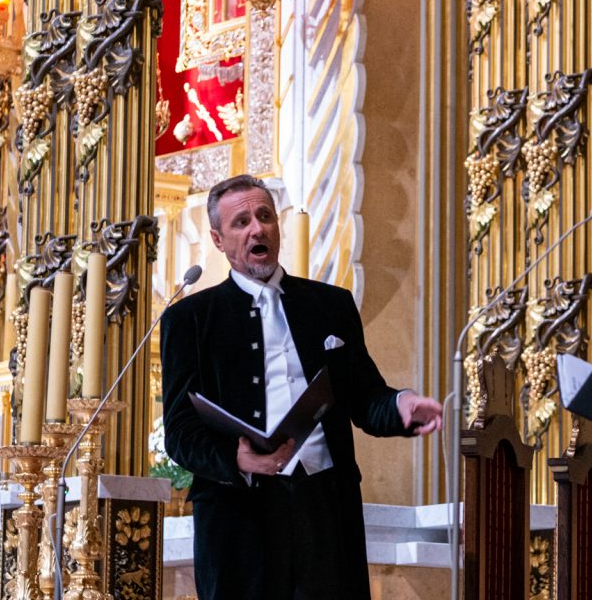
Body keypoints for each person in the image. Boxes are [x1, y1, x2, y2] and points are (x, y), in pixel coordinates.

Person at [161, 174, 443, 600]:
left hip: (325, 506)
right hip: (238, 517)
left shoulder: (331, 304)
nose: (257, 229)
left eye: (265, 216)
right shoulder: (190, 319)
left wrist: (402, 405)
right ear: (218, 240)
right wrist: (234, 458)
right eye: (241, 222)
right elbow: (181, 431)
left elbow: (366, 398)